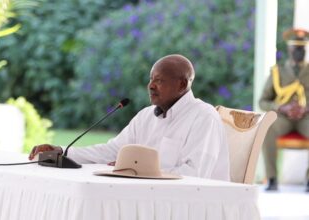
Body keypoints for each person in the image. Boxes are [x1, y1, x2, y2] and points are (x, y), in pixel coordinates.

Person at [29, 54, 230, 181]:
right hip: (150, 199)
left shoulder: (204, 117)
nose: (151, 86)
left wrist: (137, 170)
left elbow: (195, 175)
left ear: (182, 85)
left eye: (159, 80)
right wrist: (62, 152)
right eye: (151, 79)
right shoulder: (145, 116)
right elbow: (112, 151)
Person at [259, 29, 309, 191]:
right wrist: (280, 107)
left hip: (305, 118)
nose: (299, 52)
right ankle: (272, 179)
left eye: (302, 49)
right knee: (267, 128)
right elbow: (263, 101)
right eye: (296, 48)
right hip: (284, 118)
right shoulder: (277, 72)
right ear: (289, 49)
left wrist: (306, 109)